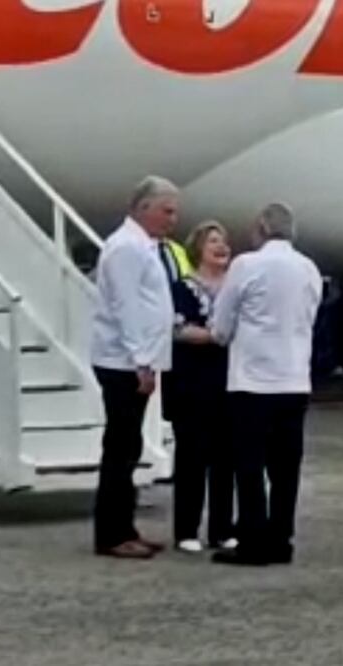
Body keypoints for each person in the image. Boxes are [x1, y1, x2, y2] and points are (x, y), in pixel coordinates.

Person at [211, 203, 323, 567]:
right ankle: (281, 537)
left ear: (261, 228)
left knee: (250, 464)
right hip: (295, 379)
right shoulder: (309, 269)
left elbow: (221, 328)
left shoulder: (246, 266)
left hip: (253, 382)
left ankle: (253, 540)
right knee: (286, 467)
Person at [90, 175, 179, 559]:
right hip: (123, 361)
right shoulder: (126, 248)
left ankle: (124, 527)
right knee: (121, 447)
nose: (173, 219)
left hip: (133, 359)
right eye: (167, 211)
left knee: (129, 445)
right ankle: (112, 534)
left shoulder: (143, 245)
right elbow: (127, 307)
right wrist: (142, 360)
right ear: (144, 209)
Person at [169, 221, 237, 553]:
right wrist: (215, 336)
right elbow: (177, 328)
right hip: (192, 384)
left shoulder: (236, 287)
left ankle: (222, 529)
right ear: (199, 248)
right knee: (191, 458)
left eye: (223, 241)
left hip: (229, 383)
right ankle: (186, 530)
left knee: (225, 459)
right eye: (213, 241)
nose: (221, 246)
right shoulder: (182, 287)